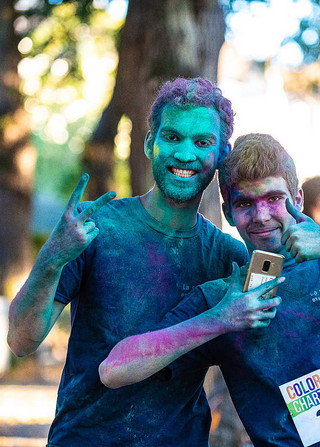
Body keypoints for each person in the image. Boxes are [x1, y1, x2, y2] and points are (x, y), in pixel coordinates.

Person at [100, 133, 320, 446]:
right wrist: (218, 320)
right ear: (228, 211)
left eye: (273, 198)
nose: (260, 215)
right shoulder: (222, 297)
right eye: (244, 203)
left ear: (298, 199)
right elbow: (115, 369)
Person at [7, 78, 250, 447]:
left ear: (220, 155)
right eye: (172, 137)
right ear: (150, 143)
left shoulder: (229, 260)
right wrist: (52, 258)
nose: (185, 154)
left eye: (202, 142)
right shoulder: (96, 228)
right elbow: (21, 341)